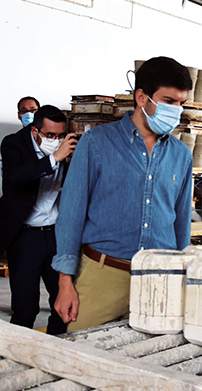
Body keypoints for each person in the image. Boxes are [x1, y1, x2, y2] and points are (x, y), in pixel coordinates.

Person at [52, 56, 193, 331]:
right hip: (102, 275)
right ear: (142, 97)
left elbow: (181, 224)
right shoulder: (96, 144)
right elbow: (71, 214)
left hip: (158, 280)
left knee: (148, 361)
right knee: (85, 360)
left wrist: (181, 277)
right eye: (168, 101)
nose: (176, 111)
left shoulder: (181, 156)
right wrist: (65, 282)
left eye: (181, 103)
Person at [0, 105, 77, 334]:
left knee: (62, 302)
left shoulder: (70, 150)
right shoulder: (14, 144)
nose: (55, 140)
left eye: (60, 136)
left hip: (55, 233)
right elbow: (16, 178)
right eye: (50, 136)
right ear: (35, 131)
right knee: (26, 307)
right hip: (25, 236)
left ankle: (56, 350)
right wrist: (55, 157)